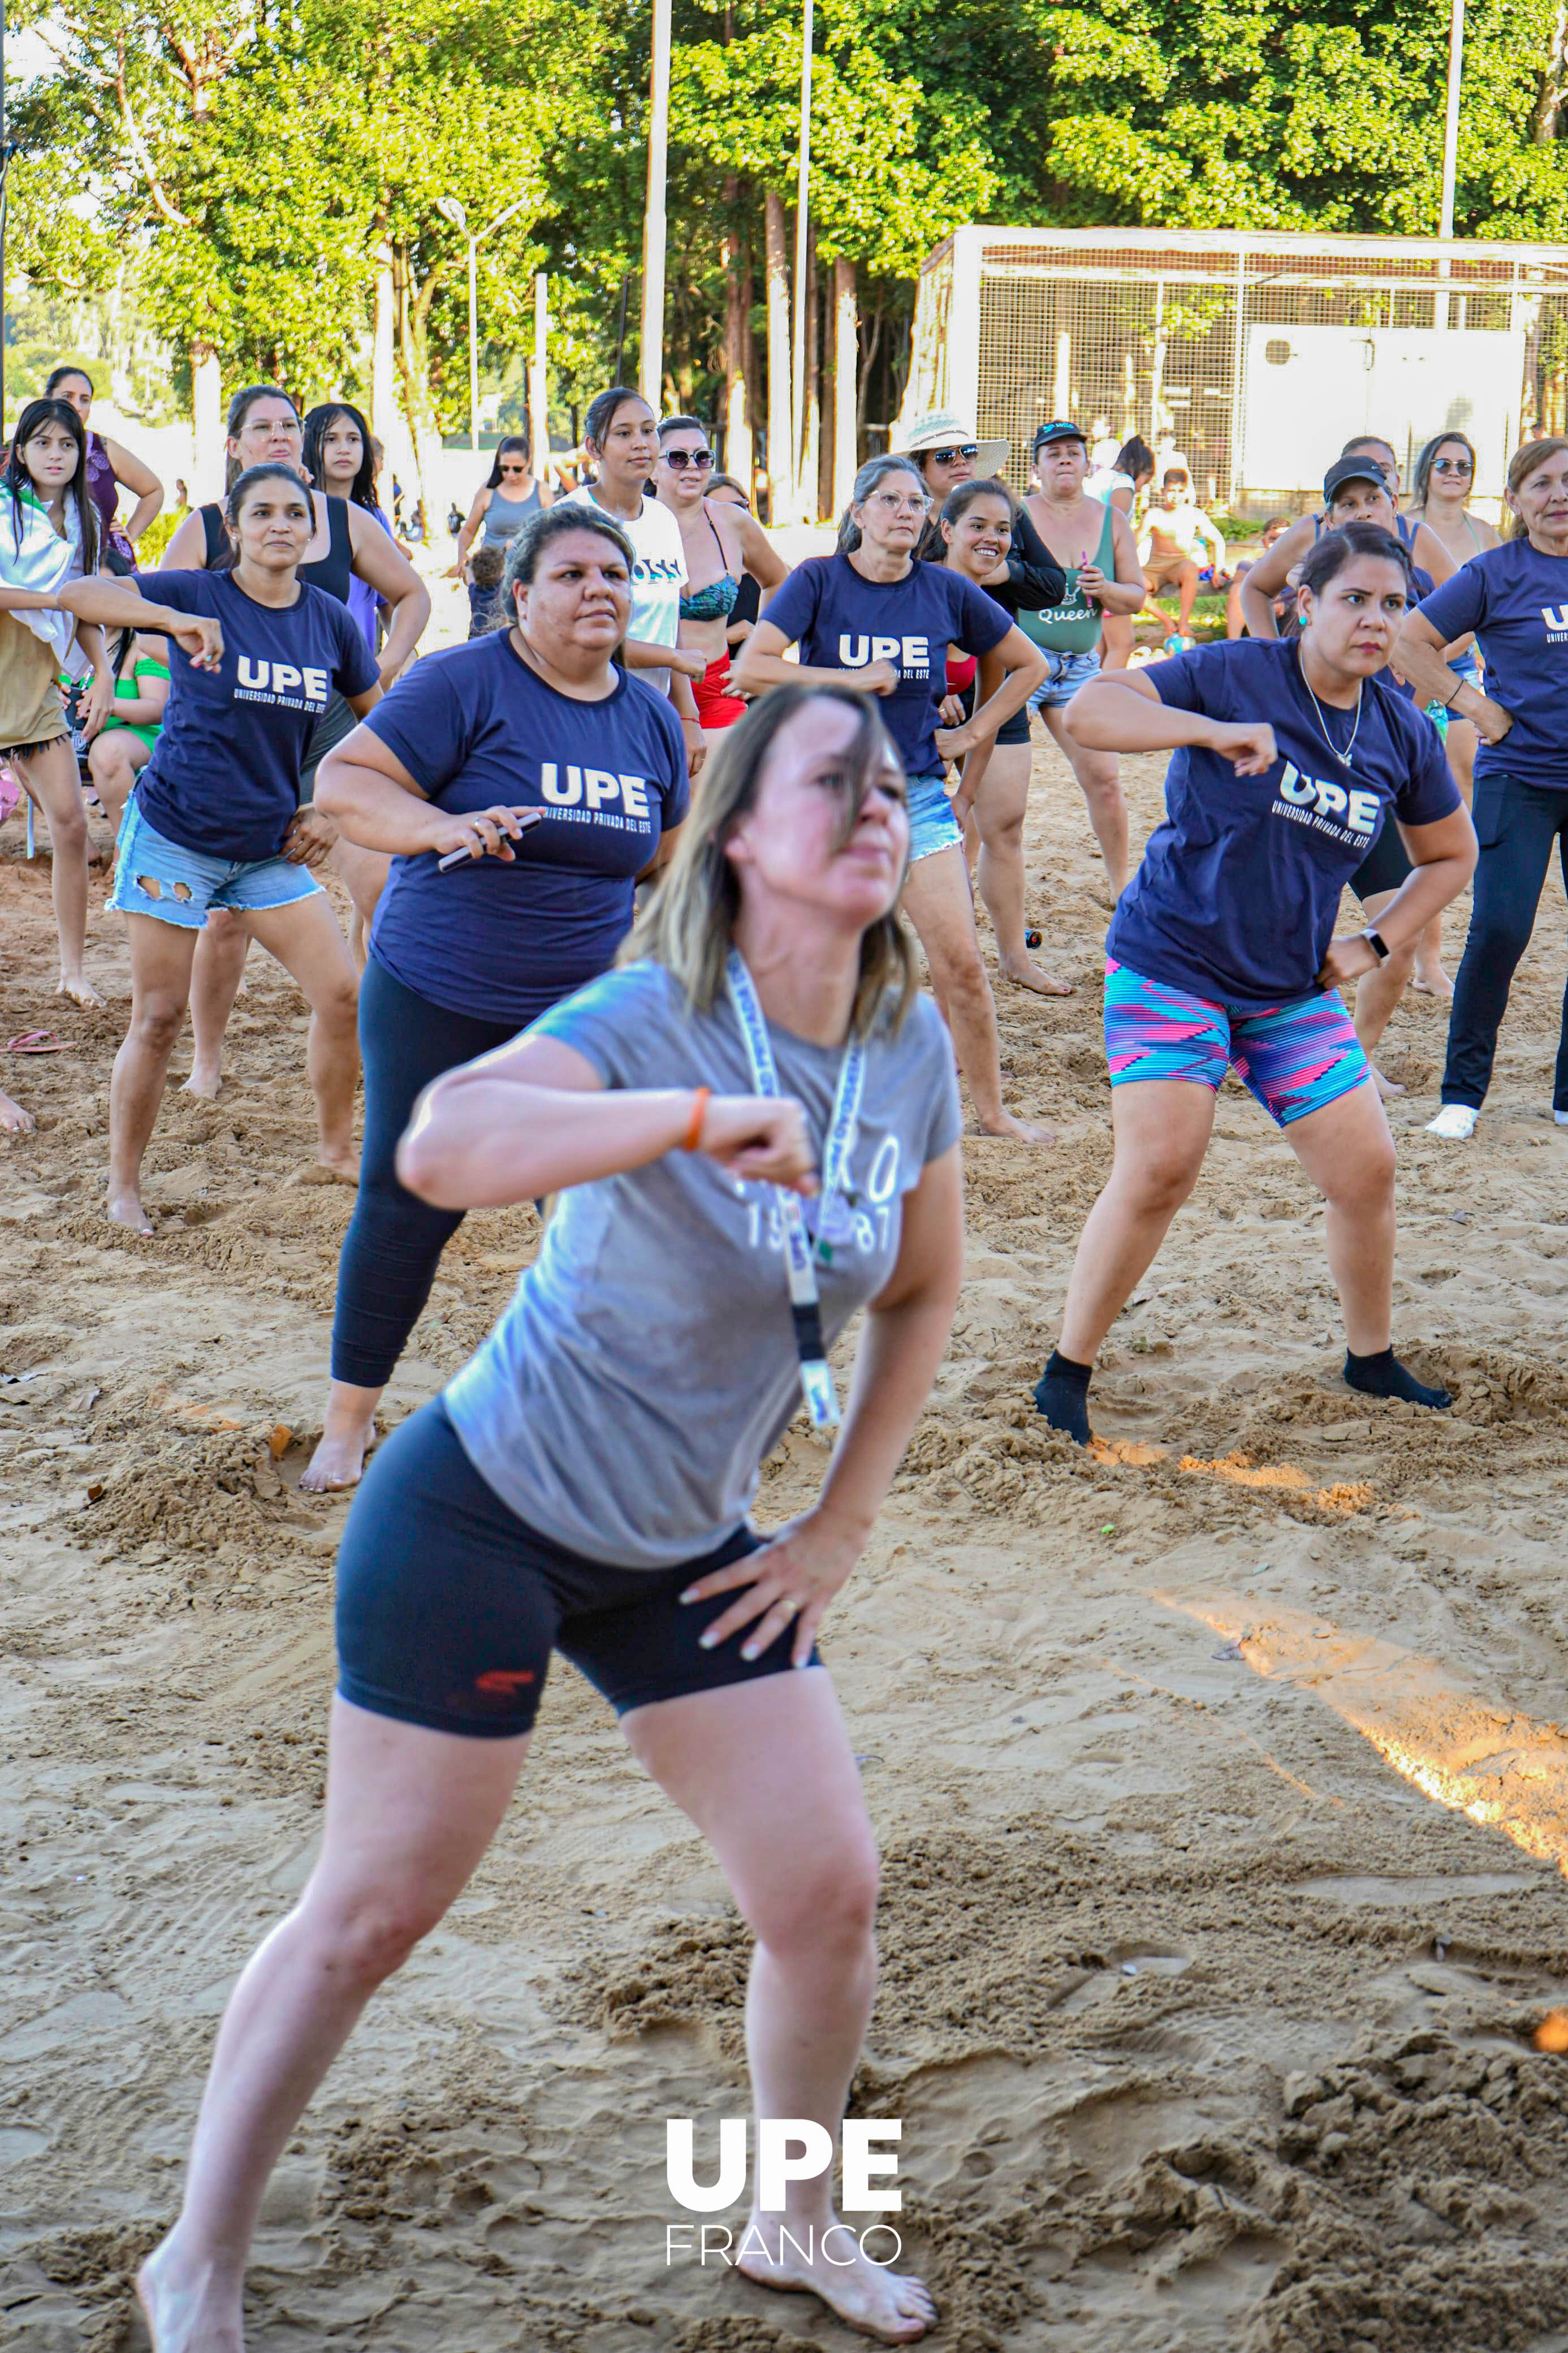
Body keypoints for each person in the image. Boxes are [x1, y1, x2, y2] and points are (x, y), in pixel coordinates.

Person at [135, 682, 961, 2353]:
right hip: (482, 1520)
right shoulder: (654, 1012)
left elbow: (926, 1290)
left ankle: (791, 2220)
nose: (880, 810)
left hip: (687, 1544)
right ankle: (196, 2257)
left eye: (891, 787)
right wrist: (681, 1118)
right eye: (834, 786)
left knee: (827, 1894)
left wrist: (835, 1529)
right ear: (737, 835)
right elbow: (440, 1142)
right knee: (372, 1910)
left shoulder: (905, 1041)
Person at [1033, 521, 1476, 1445]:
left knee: (1367, 1170)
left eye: (1392, 605)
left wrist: (1372, 945)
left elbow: (1447, 855)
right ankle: (1064, 1372)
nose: (1374, 621)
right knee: (1160, 1165)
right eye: (1353, 599)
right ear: (1302, 601)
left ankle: (1368, 1360)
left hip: (1286, 986)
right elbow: (1090, 713)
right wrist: (1206, 729)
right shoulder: (1235, 671)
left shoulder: (1397, 728)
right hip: (1171, 962)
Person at [301, 502, 690, 1492]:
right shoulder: (462, 681)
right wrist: (438, 827)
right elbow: (347, 783)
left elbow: (663, 851)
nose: (598, 588)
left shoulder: (646, 712)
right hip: (443, 987)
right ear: (520, 597)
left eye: (612, 573)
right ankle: (346, 1429)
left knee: (599, 1209)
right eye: (570, 575)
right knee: (408, 1199)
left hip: (576, 1011)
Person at [733, 453, 1050, 1143]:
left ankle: (991, 1113)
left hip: (915, 796)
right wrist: (849, 680)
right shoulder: (819, 579)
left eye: (915, 503)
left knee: (961, 964)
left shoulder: (943, 589)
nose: (906, 512)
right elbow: (749, 669)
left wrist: (972, 732)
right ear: (858, 514)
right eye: (890, 500)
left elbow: (1033, 665)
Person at [101, 464, 382, 1235]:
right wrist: (171, 623)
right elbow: (81, 593)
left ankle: (333, 1150)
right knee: (158, 1018)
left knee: (344, 995)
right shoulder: (199, 593)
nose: (280, 525)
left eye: (296, 513)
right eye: (262, 513)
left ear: (314, 530)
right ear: (234, 527)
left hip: (268, 848)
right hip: (176, 838)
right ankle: (123, 1187)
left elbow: (377, 726)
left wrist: (327, 805)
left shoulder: (330, 621)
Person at [162, 384, 430, 1089]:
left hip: (331, 726)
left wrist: (388, 665)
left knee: (381, 888)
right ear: (235, 445)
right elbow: (151, 606)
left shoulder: (343, 520)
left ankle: (375, 1039)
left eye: (290, 425)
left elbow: (415, 593)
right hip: (242, 736)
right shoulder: (206, 526)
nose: (281, 436)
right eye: (264, 427)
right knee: (226, 921)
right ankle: (207, 1062)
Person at [1394, 437, 1568, 1140]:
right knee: (1499, 930)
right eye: (1542, 484)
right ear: (1517, 499)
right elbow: (1409, 642)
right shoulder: (1493, 572)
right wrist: (1472, 704)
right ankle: (1461, 1096)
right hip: (1519, 778)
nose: (1558, 495)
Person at [0, 395, 120, 1006]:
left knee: (72, 826)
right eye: (43, 442)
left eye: (67, 444)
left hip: (38, 690)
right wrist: (55, 602)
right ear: (20, 452)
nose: (56, 453)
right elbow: (52, 600)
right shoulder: (2, 509)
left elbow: (89, 607)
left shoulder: (84, 522)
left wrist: (102, 673)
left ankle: (72, 971)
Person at [935, 476, 1071, 994]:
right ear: (946, 529)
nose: (990, 537)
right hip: (910, 726)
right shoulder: (917, 582)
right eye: (977, 527)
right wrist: (930, 700)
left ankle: (1015, 957)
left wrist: (967, 789)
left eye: (1000, 529)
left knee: (1004, 826)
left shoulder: (993, 605)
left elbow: (994, 693)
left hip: (985, 712)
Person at [1020, 421, 1147, 893]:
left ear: (1088, 465)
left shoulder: (1112, 521)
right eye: (1053, 454)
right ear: (1036, 470)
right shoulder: (1016, 515)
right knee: (996, 789)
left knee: (1105, 781)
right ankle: (960, 885)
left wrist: (1106, 588)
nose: (1065, 460)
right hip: (1022, 663)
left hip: (1079, 666)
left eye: (1073, 452)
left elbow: (1135, 595)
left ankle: (1121, 888)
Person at [560, 387, 706, 770]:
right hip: (581, 716)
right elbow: (573, 637)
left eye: (648, 430)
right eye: (623, 434)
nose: (641, 444)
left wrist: (687, 717)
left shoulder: (662, 520)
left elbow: (670, 620)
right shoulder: (569, 521)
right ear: (594, 448)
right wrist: (673, 657)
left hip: (650, 717)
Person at [1405, 430, 1500, 998]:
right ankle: (1424, 957)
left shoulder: (1483, 533)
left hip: (1459, 671)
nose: (1452, 472)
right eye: (1442, 462)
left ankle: (1430, 960)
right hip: (1405, 667)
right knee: (1418, 813)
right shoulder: (1405, 523)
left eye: (1462, 464)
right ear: (1425, 469)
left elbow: (1493, 605)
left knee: (1455, 791)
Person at [654, 414, 787, 735]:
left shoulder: (732, 522)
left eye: (702, 457)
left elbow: (778, 580)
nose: (692, 466)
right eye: (677, 458)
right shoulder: (630, 526)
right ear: (652, 468)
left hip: (717, 689)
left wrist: (760, 656)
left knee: (731, 783)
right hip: (648, 688)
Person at [45, 363, 163, 568]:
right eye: (67, 397)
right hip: (47, 570)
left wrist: (129, 534)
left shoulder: (103, 448)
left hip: (108, 569)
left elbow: (154, 490)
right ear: (47, 400)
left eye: (85, 400)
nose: (77, 406)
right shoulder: (26, 450)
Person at [302, 402, 395, 653]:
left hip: (360, 671)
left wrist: (400, 657)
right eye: (331, 439)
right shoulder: (294, 516)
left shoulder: (375, 518)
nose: (344, 449)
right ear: (309, 445)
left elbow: (390, 599)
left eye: (353, 439)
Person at [85, 627, 169, 838]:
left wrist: (106, 704)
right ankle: (81, 845)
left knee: (108, 751)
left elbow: (158, 709)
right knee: (27, 748)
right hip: (75, 734)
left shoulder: (144, 641)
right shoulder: (61, 635)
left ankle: (126, 846)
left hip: (138, 734)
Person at [1135, 469, 1226, 647]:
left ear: (1186, 492)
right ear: (1162, 492)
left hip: (1180, 565)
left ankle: (1184, 623)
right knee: (1132, 584)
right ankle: (1167, 621)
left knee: (1191, 567)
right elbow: (1133, 543)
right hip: (1154, 567)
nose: (1175, 496)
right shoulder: (1154, 515)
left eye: (1180, 491)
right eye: (1171, 491)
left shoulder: (1194, 514)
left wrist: (1218, 571)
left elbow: (1217, 540)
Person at [446, 434, 554, 582]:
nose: (510, 474)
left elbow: (553, 535)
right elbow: (469, 530)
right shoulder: (488, 490)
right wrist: (462, 554)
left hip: (529, 576)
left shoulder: (542, 491)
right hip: (490, 577)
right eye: (505, 468)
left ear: (529, 463)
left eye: (517, 469)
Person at [1225, 518, 1291, 639]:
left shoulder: (1302, 565)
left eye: (1283, 538)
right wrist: (1272, 595)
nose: (1278, 543)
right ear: (1264, 542)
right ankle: (1233, 646)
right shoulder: (1249, 564)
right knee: (1238, 590)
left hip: (1294, 613)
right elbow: (1240, 584)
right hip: (1262, 607)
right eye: (1272, 539)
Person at [466, 540, 506, 636]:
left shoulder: (474, 590)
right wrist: (505, 549)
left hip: (476, 636)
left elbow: (469, 574)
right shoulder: (503, 588)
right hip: (496, 636)